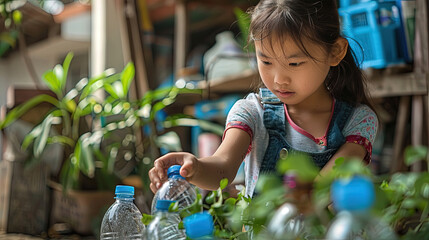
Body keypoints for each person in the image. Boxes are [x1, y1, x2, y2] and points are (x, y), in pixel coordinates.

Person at [149, 0, 379, 198]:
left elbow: (322, 191)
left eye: (294, 63)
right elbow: (223, 168)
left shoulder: (358, 121)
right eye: (266, 61)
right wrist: (195, 167)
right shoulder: (251, 112)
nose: (279, 79)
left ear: (335, 52)